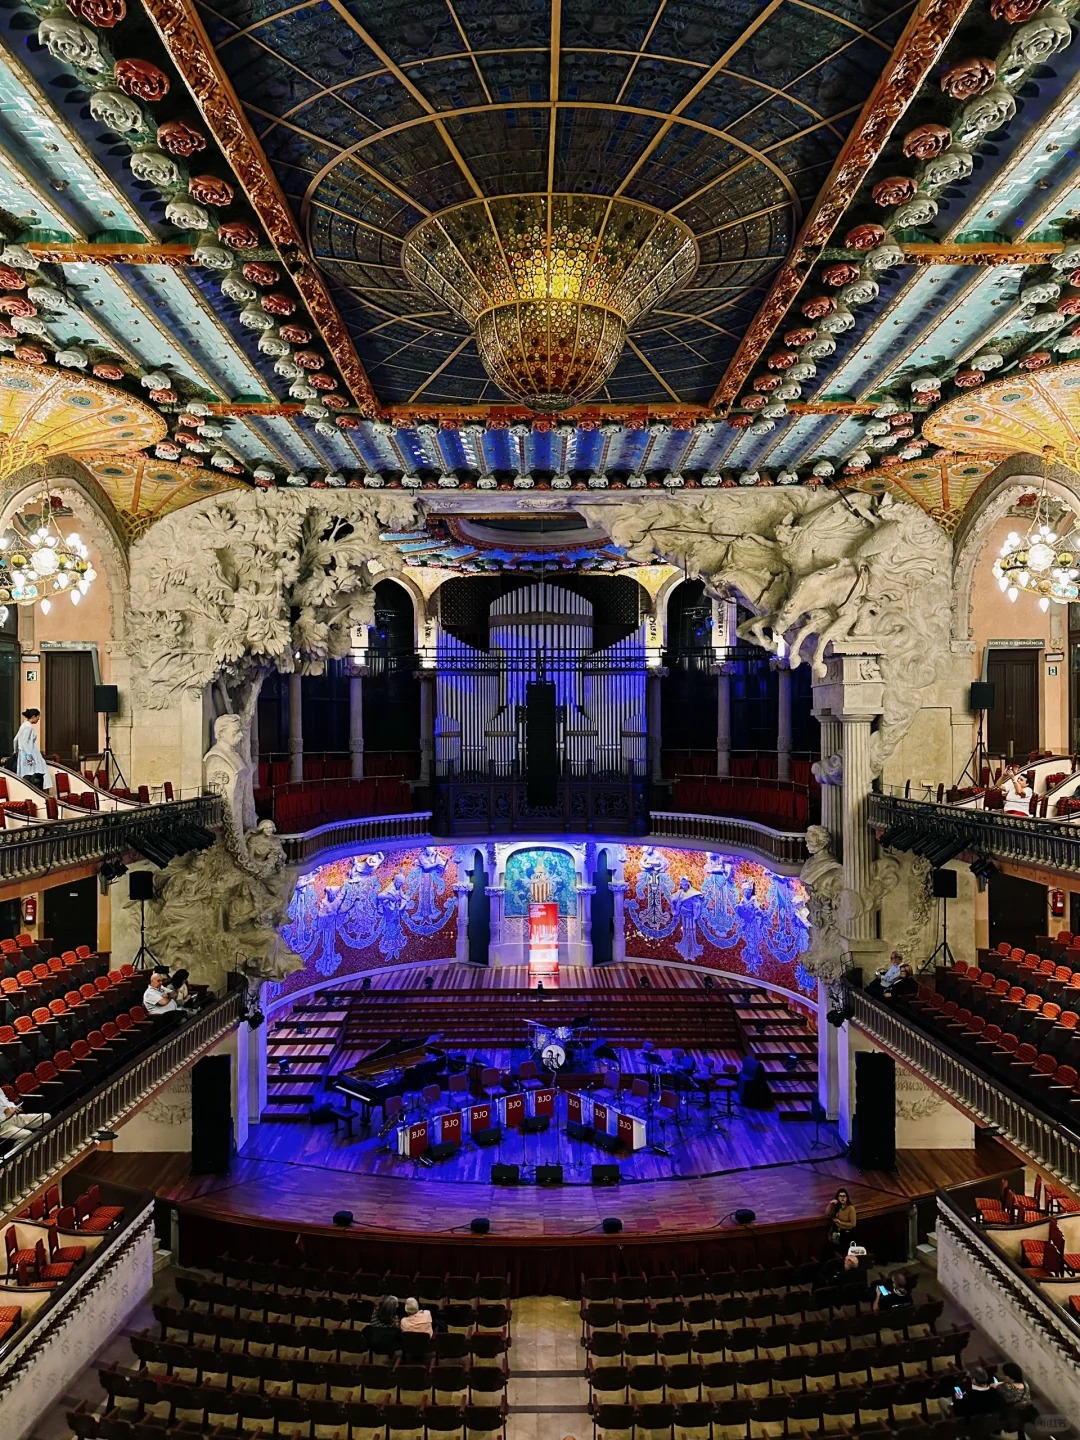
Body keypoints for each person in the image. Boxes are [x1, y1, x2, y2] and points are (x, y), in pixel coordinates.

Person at [12, 709, 51, 791]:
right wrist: (29, 757)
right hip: (30, 753)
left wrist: (16, 752)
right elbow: (24, 743)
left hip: (24, 753)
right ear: (33, 717)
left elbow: (16, 740)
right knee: (32, 774)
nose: (38, 719)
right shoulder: (28, 727)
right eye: (38, 717)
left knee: (27, 773)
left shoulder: (23, 725)